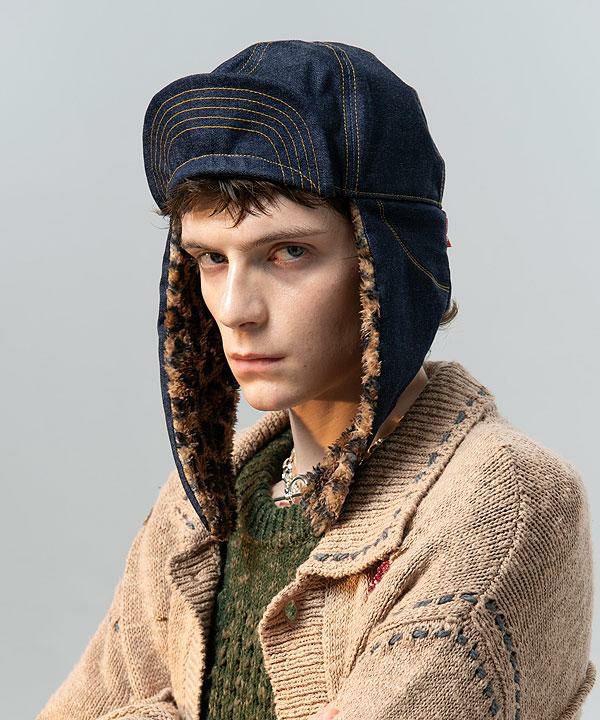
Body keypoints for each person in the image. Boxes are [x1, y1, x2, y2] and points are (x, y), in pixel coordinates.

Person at [38, 40, 595, 720]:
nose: (235, 309)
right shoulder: (196, 514)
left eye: (289, 252)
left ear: (388, 261)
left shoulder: (506, 501)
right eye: (211, 259)